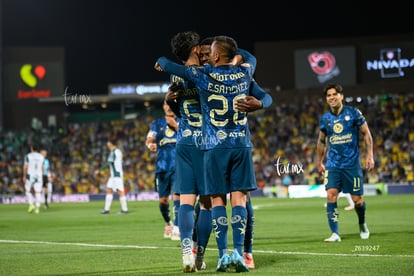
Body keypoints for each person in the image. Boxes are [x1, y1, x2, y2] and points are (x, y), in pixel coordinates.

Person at [155, 35, 265, 273]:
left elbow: (179, 109)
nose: (206, 54)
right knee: (216, 202)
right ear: (197, 49)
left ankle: (190, 250)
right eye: (202, 50)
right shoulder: (217, 71)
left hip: (187, 141)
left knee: (188, 199)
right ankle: (213, 254)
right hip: (213, 143)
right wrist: (236, 55)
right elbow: (249, 59)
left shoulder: (183, 75)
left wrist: (168, 95)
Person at [316, 83, 374, 242]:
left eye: (334, 94)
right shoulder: (325, 119)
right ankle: (335, 233)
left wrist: (370, 156)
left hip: (352, 165)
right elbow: (321, 141)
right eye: (329, 95)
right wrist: (319, 161)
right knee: (331, 196)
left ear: (341, 96)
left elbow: (366, 134)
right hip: (333, 165)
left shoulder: (353, 113)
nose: (332, 97)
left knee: (357, 201)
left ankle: (362, 224)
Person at [145, 101, 181, 241]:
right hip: (162, 167)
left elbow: (189, 136)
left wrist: (175, 126)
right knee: (163, 200)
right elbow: (149, 138)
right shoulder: (157, 123)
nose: (169, 107)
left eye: (172, 104)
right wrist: (150, 145)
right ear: (163, 106)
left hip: (178, 166)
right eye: (167, 104)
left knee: (177, 195)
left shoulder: (182, 120)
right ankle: (169, 224)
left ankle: (177, 229)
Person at [94, 137, 128, 215]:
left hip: (116, 175)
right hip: (114, 175)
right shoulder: (118, 151)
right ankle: (106, 209)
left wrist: (99, 170)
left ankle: (124, 209)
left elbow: (109, 163)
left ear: (111, 144)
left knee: (120, 192)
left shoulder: (114, 152)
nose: (107, 145)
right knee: (109, 189)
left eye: (108, 144)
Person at [23, 144, 44, 214]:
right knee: (38, 192)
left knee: (27, 190)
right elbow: (42, 167)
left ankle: (31, 204)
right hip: (39, 176)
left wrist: (24, 176)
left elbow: (25, 166)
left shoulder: (28, 156)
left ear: (32, 148)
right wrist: (42, 175)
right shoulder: (41, 156)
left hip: (30, 175)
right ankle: (37, 208)